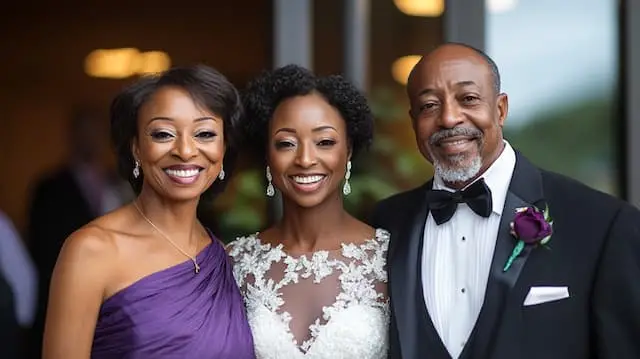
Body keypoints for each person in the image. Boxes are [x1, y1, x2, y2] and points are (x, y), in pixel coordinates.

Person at [371, 42, 640, 359]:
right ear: (413, 120)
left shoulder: (603, 224)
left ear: (500, 109)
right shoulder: (384, 224)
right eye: (429, 106)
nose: (448, 118)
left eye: (468, 99)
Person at [42, 65, 255, 359]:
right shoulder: (91, 251)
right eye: (163, 134)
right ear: (136, 149)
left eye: (204, 133)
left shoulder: (221, 257)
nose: (186, 150)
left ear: (223, 150)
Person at [227, 64, 390, 359]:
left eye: (324, 142)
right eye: (286, 143)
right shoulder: (235, 263)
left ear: (349, 150)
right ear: (267, 154)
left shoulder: (390, 258)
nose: (305, 159)